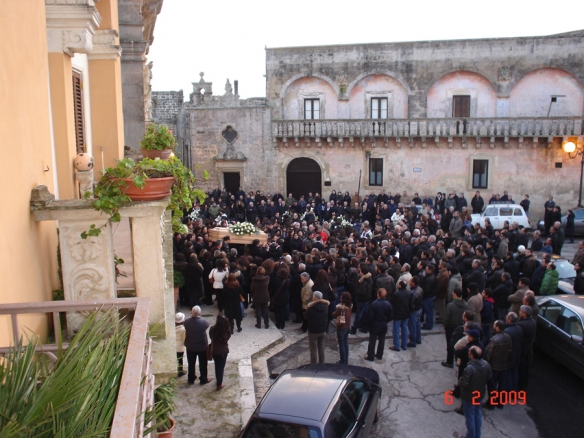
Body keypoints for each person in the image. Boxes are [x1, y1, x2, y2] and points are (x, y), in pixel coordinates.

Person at [458, 346, 492, 438]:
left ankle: (471, 436)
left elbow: (463, 383)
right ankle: (477, 435)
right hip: (480, 394)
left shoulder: (469, 369)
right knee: (477, 413)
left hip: (469, 396)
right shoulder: (486, 365)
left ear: (472, 355)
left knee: (470, 417)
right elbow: (489, 377)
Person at [484, 320, 512, 409]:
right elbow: (510, 350)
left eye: (494, 325)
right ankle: (500, 402)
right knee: (502, 384)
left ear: (498, 327)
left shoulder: (494, 340)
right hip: (504, 365)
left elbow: (488, 353)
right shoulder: (508, 337)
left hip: (494, 366)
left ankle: (491, 404)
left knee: (492, 386)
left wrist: (486, 362)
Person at [184, 306, 212, 385]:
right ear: (200, 313)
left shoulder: (186, 322)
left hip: (190, 346)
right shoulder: (204, 323)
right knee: (203, 363)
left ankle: (191, 378)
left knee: (191, 363)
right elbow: (207, 326)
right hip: (202, 346)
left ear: (191, 313)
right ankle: (203, 378)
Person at [442, 287, 468, 368]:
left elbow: (446, 318)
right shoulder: (465, 305)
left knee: (450, 345)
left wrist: (445, 326)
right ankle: (459, 360)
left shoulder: (451, 306)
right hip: (461, 326)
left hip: (451, 327)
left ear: (455, 294)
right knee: (460, 344)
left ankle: (450, 361)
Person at [364, 288, 393, 361]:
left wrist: (369, 324)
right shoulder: (388, 304)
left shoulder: (374, 304)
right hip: (383, 324)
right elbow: (390, 316)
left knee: (372, 341)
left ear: (378, 294)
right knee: (382, 341)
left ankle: (370, 356)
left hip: (375, 325)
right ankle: (379, 355)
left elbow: (370, 316)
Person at [304, 291, 330, 364]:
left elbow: (305, 316)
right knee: (321, 349)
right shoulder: (325, 307)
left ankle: (313, 365)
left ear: (314, 298)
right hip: (323, 330)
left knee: (313, 350)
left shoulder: (311, 308)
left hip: (313, 331)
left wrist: (308, 307)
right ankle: (322, 364)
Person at [209, 313, 231, 391]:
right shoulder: (227, 330)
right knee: (221, 367)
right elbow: (228, 338)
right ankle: (219, 383)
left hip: (215, 350)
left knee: (217, 366)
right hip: (223, 351)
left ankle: (218, 380)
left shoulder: (212, 329)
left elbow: (210, 336)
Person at [517, 305, 536, 390]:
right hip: (528, 346)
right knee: (525, 365)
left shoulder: (522, 324)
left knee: (521, 366)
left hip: (522, 348)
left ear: (524, 314)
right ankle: (524, 383)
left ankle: (520, 385)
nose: (519, 312)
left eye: (520, 311)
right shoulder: (532, 321)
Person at [390, 280, 411, 351]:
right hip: (406, 313)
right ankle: (404, 345)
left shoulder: (396, 294)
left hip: (398, 314)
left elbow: (391, 302)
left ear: (400, 285)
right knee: (404, 329)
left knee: (396, 330)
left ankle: (396, 345)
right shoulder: (409, 293)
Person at [333, 291, 353, 364]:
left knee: (341, 345)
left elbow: (334, 314)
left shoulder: (341, 308)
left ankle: (343, 361)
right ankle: (346, 360)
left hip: (341, 328)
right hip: (347, 327)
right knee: (345, 343)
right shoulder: (350, 306)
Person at [407, 276, 424, 347]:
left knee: (412, 326)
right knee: (417, 325)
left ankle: (412, 342)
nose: (409, 282)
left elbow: (412, 304)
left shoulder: (414, 293)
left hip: (414, 311)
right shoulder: (420, 289)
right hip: (419, 309)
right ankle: (418, 339)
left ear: (413, 283)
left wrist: (410, 309)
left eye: (410, 281)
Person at [175, 312, 186, 377]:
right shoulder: (183, 329)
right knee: (180, 359)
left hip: (175, 346)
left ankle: (178, 370)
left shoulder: (174, 328)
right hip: (181, 346)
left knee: (177, 358)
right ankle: (180, 371)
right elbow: (184, 338)